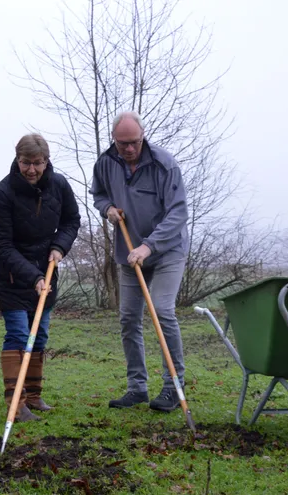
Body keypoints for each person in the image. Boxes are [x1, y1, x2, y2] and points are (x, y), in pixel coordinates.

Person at [90, 111, 190, 412]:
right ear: (114, 140)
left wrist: (149, 246)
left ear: (142, 136)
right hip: (128, 252)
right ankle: (137, 387)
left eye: (133, 142)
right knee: (128, 318)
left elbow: (178, 213)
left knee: (161, 310)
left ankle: (174, 385)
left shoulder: (164, 164)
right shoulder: (106, 162)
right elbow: (99, 194)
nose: (129, 149)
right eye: (122, 144)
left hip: (166, 250)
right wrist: (107, 208)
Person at [0, 133, 81, 422]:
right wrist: (33, 276)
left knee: (39, 334)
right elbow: (1, 245)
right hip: (10, 274)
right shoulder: (2, 193)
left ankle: (34, 395)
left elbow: (71, 221)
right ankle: (16, 403)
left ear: (46, 161)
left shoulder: (60, 185)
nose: (31, 170)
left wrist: (59, 246)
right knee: (18, 333)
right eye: (25, 163)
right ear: (17, 160)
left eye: (37, 163)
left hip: (46, 267)